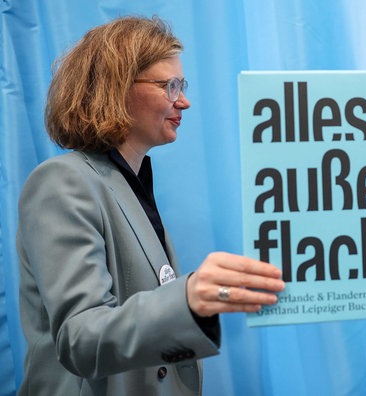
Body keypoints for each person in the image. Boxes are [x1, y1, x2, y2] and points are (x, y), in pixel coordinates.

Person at [16, 16, 285, 396]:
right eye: (169, 86)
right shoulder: (62, 182)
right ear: (116, 89)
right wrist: (187, 299)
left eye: (182, 85)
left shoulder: (127, 183)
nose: (184, 101)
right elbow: (79, 339)